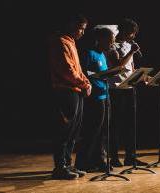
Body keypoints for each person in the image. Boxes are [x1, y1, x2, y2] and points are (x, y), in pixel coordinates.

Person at [48, 14, 91, 179]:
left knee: (74, 131)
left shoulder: (71, 42)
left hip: (76, 90)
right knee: (64, 131)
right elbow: (67, 70)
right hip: (65, 90)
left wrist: (86, 82)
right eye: (81, 28)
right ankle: (60, 167)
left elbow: (78, 70)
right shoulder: (59, 41)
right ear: (71, 25)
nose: (82, 32)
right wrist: (84, 83)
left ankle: (68, 164)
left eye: (84, 29)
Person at [107, 18, 148, 167]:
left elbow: (131, 67)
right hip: (116, 88)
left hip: (130, 87)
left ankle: (130, 156)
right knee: (115, 125)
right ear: (123, 31)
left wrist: (142, 76)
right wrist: (131, 51)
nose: (133, 36)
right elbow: (118, 65)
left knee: (131, 124)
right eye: (131, 33)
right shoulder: (112, 45)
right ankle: (114, 158)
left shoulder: (129, 45)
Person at [75, 27, 115, 172]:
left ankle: (99, 160)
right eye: (110, 41)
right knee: (92, 131)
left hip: (105, 96)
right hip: (94, 98)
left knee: (104, 132)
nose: (112, 44)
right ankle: (82, 162)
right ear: (100, 40)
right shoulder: (89, 53)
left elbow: (102, 73)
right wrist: (98, 75)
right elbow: (84, 73)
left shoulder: (103, 54)